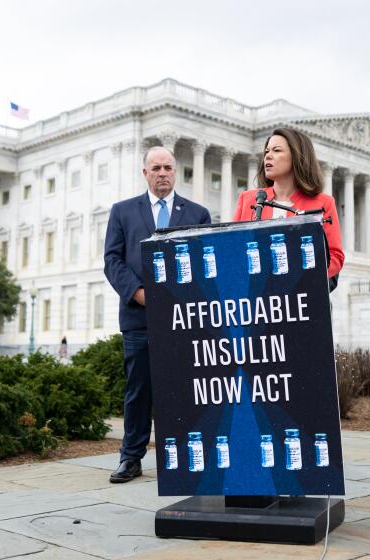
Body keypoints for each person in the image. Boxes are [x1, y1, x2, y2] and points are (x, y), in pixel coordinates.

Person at [104, 146, 211, 483]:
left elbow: (204, 263)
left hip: (185, 318)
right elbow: (112, 260)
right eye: (156, 168)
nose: (163, 173)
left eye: (168, 167)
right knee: (139, 390)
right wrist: (138, 293)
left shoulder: (198, 213)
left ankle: (185, 457)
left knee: (186, 388)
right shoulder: (123, 212)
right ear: (145, 173)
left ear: (175, 172)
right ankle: (131, 458)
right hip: (139, 317)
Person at [233, 127, 344, 281]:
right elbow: (233, 248)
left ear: (297, 156)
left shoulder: (323, 203)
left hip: (300, 294)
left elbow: (335, 257)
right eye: (266, 152)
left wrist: (301, 276)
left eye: (276, 151)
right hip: (255, 294)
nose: (268, 156)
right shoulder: (248, 199)